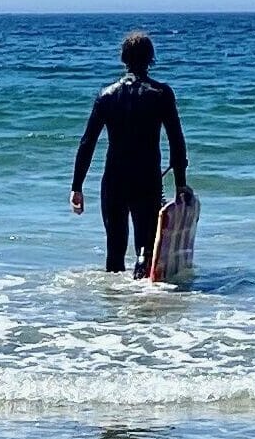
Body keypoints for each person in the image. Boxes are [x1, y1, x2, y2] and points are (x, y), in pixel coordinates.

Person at [71, 31, 189, 277]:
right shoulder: (161, 94)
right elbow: (177, 142)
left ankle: (116, 305)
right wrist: (180, 186)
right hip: (146, 180)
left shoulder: (106, 95)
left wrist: (77, 186)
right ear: (150, 58)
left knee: (114, 250)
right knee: (145, 249)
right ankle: (141, 303)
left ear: (124, 58)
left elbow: (87, 142)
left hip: (114, 181)